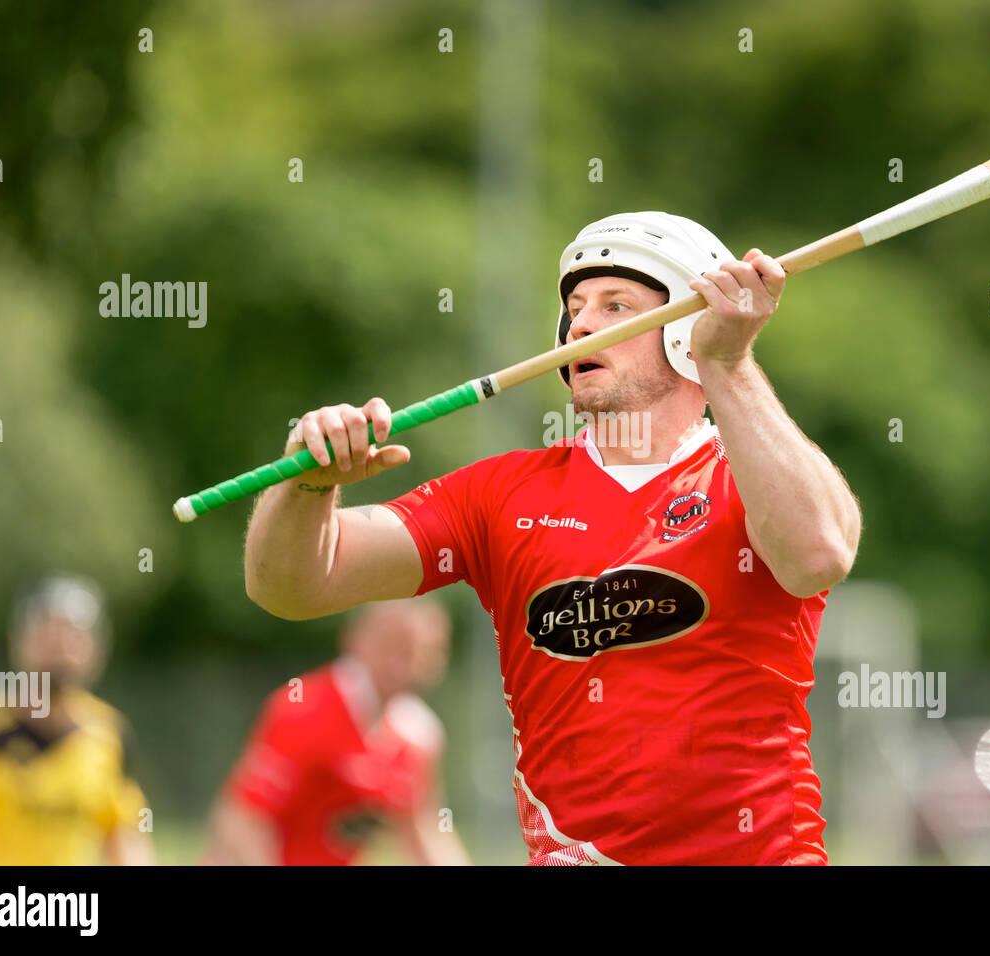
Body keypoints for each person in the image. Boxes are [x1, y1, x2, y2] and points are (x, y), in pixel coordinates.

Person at [244, 211, 863, 865]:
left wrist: (728, 363)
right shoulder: (499, 495)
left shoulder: (755, 476)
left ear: (686, 326)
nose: (583, 324)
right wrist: (306, 487)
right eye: (575, 307)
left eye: (616, 304)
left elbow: (818, 554)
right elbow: (293, 585)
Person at [206, 597, 471, 865]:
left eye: (421, 652)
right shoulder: (304, 709)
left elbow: (424, 829)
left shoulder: (420, 734)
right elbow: (242, 820)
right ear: (355, 639)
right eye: (391, 646)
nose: (403, 665)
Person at [0, 576, 154, 865]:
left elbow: (124, 834)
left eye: (74, 636)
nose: (61, 648)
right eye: (47, 634)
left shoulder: (109, 734)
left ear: (96, 650)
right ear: (17, 642)